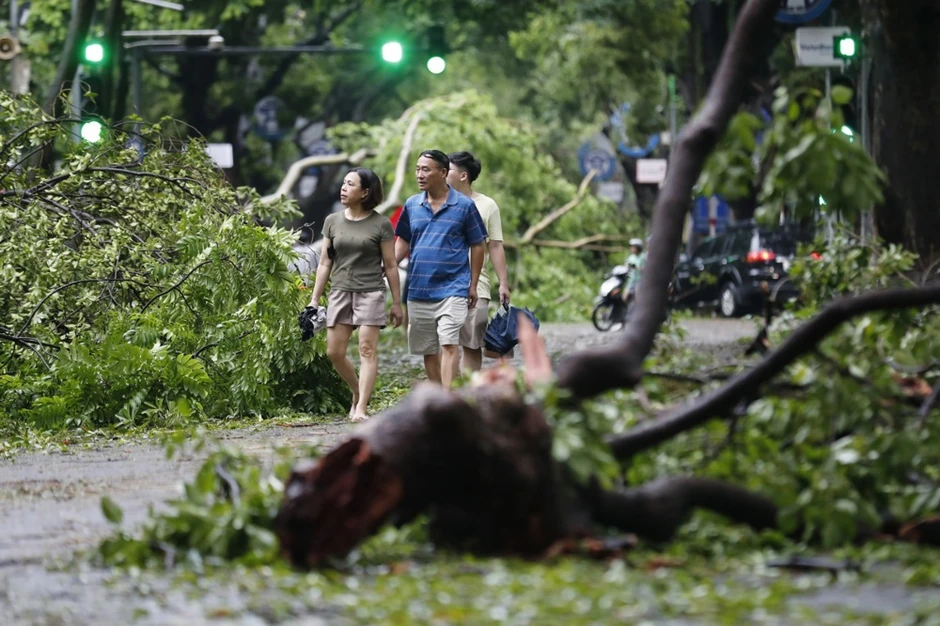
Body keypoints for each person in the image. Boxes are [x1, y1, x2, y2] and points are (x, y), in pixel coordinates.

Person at [308, 168, 403, 421]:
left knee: (366, 349)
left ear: (365, 192)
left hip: (371, 292)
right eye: (343, 183)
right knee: (334, 352)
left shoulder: (380, 224)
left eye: (350, 184)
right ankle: (356, 392)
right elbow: (325, 263)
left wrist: (397, 303)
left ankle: (361, 408)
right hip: (340, 292)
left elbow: (391, 265)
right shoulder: (332, 221)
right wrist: (314, 300)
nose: (343, 188)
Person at [394, 150, 487, 388]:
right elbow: (402, 241)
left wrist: (473, 284)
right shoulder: (412, 205)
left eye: (426, 169)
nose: (420, 174)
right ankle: (438, 396)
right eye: (417, 169)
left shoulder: (464, 206)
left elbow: (478, 245)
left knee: (448, 343)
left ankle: (449, 400)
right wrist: (388, 266)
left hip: (454, 286)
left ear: (443, 173)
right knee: (428, 349)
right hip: (419, 289)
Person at [446, 151, 511, 372]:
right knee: (447, 344)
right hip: (442, 283)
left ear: (463, 176)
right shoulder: (436, 201)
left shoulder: (487, 205)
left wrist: (503, 282)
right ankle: (449, 394)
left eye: (448, 169)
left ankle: (469, 396)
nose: (443, 172)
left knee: (472, 345)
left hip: (477, 284)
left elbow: (495, 245)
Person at [623, 237, 646, 309]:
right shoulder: (631, 257)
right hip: (631, 281)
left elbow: (645, 270)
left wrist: (636, 267)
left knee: (638, 298)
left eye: (634, 247)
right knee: (624, 298)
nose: (632, 248)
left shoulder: (643, 257)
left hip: (639, 281)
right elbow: (626, 266)